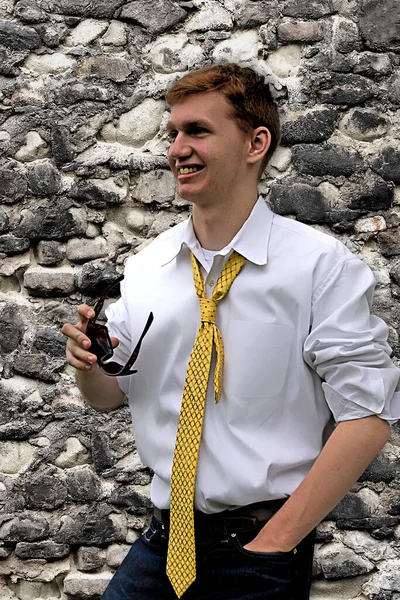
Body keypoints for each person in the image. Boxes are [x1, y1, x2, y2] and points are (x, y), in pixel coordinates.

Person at [62, 63, 400, 600]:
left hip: (260, 549)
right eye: (172, 133)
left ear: (255, 143)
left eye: (197, 131)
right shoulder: (148, 266)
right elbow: (109, 395)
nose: (177, 148)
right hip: (161, 541)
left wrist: (276, 541)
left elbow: (368, 416)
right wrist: (86, 364)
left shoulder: (320, 267)